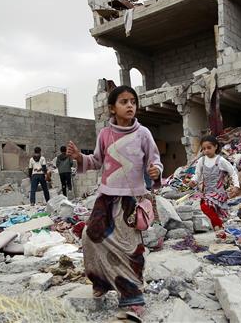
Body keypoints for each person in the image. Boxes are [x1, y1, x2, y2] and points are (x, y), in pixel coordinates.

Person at [67, 85, 162, 319]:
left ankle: (132, 296)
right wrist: (80, 157)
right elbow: (97, 161)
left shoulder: (143, 134)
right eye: (124, 102)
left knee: (130, 248)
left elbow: (155, 161)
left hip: (131, 199)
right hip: (106, 197)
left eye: (133, 101)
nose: (130, 105)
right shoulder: (105, 134)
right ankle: (100, 281)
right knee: (92, 235)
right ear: (112, 108)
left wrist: (155, 171)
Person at [188, 135, 239, 231]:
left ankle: (218, 226)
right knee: (206, 208)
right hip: (207, 192)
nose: (206, 150)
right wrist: (193, 181)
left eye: (209, 148)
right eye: (204, 149)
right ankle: (218, 227)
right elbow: (197, 175)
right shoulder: (201, 161)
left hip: (218, 192)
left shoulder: (221, 161)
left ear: (215, 147)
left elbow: (233, 173)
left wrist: (236, 186)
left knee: (205, 206)